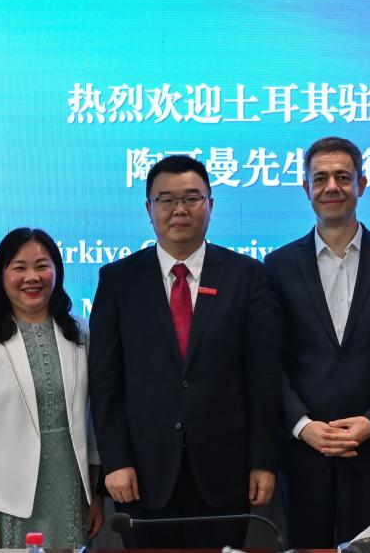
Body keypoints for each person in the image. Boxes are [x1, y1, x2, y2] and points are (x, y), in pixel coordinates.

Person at [89, 154, 281, 549]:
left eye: (192, 198)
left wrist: (262, 461)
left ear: (211, 205)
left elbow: (263, 378)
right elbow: (106, 382)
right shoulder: (118, 280)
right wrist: (115, 460)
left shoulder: (246, 276)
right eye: (166, 200)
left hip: (225, 472)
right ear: (149, 209)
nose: (180, 209)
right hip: (142, 473)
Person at [264, 136, 370, 547]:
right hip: (304, 452)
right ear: (306, 188)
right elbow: (268, 362)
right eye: (320, 178)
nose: (331, 187)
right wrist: (302, 426)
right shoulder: (279, 265)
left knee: (369, 550)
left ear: (362, 184)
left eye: (343, 177)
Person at [0, 228, 102, 549]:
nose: (32, 277)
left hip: (70, 491)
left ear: (57, 271)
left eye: (42, 266)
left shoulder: (81, 332)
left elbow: (94, 421)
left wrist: (96, 494)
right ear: (2, 275)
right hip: (4, 498)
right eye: (19, 267)